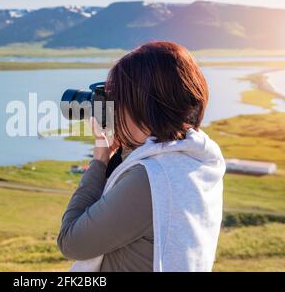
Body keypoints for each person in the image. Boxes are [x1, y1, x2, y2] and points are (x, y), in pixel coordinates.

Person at [57, 41, 226, 272]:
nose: (113, 109)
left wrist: (100, 158)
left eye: (118, 99)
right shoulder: (198, 158)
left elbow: (71, 242)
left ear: (144, 107)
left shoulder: (149, 179)